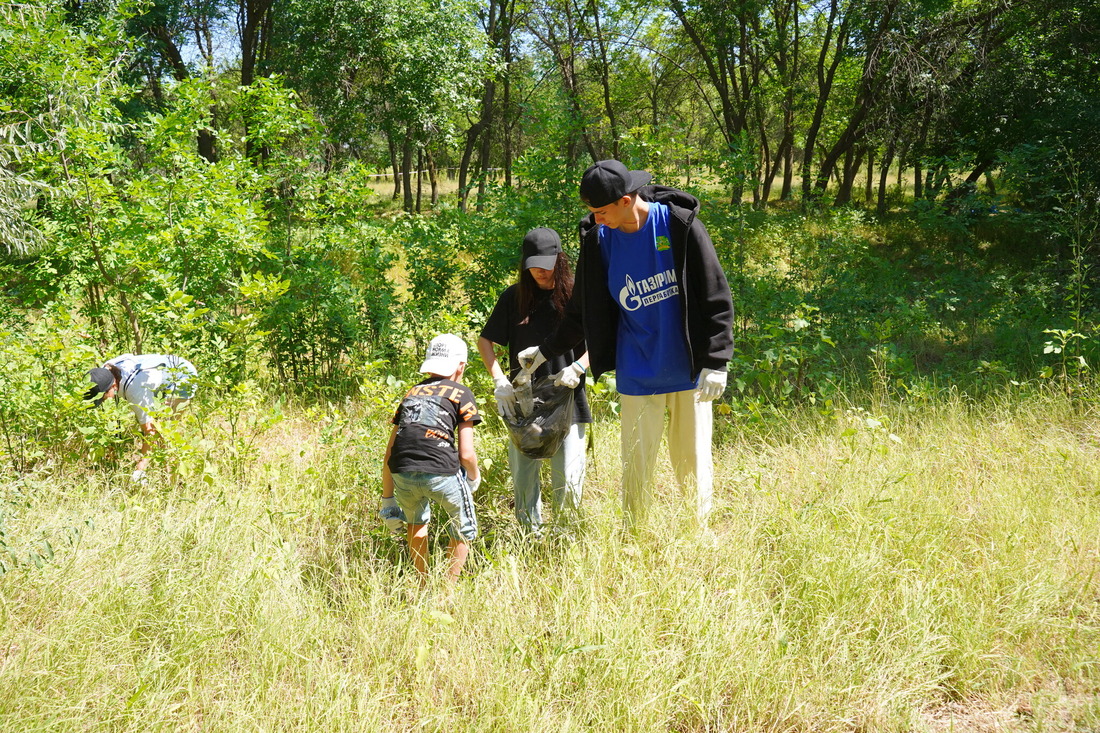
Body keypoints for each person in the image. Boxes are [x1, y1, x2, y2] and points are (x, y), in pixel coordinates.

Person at [519, 160, 734, 530]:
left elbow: (715, 295)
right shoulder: (600, 241)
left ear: (625, 200)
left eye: (601, 211)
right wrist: (545, 352)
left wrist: (717, 360)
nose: (596, 219)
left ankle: (698, 533)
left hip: (690, 368)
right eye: (591, 213)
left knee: (693, 459)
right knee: (636, 462)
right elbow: (582, 312)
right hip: (638, 369)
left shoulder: (679, 226)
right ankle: (635, 532)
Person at [478, 227, 592, 537]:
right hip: (523, 403)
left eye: (546, 263)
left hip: (568, 398)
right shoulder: (515, 297)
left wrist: (579, 367)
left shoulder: (576, 296)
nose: (540, 271)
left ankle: (565, 541)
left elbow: (600, 340)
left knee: (567, 480)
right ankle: (530, 539)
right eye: (533, 265)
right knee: (524, 479)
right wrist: (499, 378)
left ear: (560, 259)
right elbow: (485, 341)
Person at [381, 334, 482, 583]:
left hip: (401, 470)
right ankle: (446, 594)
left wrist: (387, 499)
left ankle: (423, 584)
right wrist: (474, 476)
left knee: (416, 522)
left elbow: (390, 451)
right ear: (460, 366)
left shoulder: (412, 392)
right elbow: (466, 453)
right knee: (464, 527)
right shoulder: (460, 392)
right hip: (442, 471)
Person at [83, 353, 199, 484]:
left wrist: (140, 468)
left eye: (102, 398)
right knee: (155, 426)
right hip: (162, 369)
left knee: (165, 432)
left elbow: (150, 432)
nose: (102, 402)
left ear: (113, 387)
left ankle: (173, 481)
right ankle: (166, 474)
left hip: (182, 376)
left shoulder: (135, 391)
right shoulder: (105, 371)